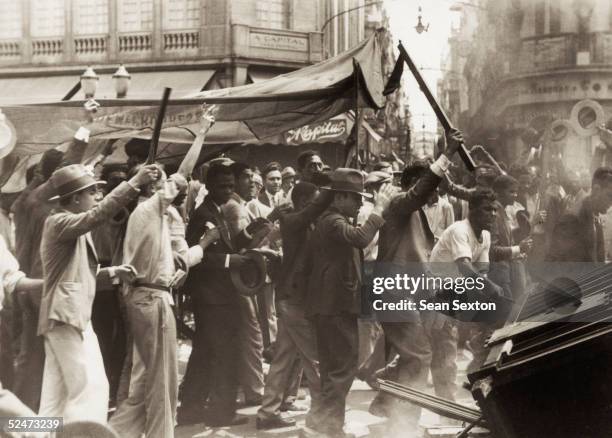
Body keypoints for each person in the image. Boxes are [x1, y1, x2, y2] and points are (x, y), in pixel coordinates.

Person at [109, 106, 219, 438]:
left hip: (153, 298)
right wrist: (201, 132)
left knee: (147, 379)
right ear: (146, 187)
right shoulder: (146, 209)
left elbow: (183, 258)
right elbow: (184, 173)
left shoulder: (160, 216)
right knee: (160, 380)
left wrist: (204, 243)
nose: (164, 182)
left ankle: (117, 433)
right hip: (149, 301)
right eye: (156, 179)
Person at [37, 162, 159, 423]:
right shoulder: (60, 222)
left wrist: (112, 272)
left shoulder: (67, 226)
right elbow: (98, 216)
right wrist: (134, 182)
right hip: (66, 316)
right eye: (92, 192)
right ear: (76, 198)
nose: (98, 197)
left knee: (54, 397)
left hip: (65, 316)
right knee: (90, 389)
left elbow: (77, 275)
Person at [370, 130, 464, 436]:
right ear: (414, 185)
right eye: (431, 187)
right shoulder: (399, 203)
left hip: (412, 294)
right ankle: (402, 421)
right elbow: (419, 194)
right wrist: (446, 155)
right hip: (395, 294)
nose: (435, 194)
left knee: (420, 352)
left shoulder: (413, 214)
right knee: (419, 355)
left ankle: (389, 398)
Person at [307, 168, 394, 437]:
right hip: (335, 307)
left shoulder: (333, 219)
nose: (360, 204)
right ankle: (330, 428)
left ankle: (321, 424)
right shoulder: (333, 221)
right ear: (340, 197)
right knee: (341, 369)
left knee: (333, 369)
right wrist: (379, 208)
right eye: (356, 199)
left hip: (331, 306)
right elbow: (360, 238)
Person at [178, 163, 263, 427]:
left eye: (230, 185)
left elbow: (227, 246)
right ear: (209, 186)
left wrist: (251, 235)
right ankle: (221, 412)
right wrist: (229, 261)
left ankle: (191, 409)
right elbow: (196, 256)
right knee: (225, 353)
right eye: (222, 186)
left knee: (204, 353)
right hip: (211, 297)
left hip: (219, 295)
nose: (227, 190)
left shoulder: (219, 211)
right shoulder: (203, 213)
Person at [256, 183, 333, 431]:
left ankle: (268, 412)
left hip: (292, 299)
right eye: (314, 202)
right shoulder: (292, 222)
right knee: (315, 359)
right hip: (295, 300)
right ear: (302, 202)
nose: (319, 207)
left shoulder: (305, 224)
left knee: (283, 358)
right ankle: (323, 415)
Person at [428, 188, 504, 399]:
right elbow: (465, 268)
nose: (493, 214)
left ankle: (385, 387)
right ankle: (447, 407)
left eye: (495, 210)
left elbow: (481, 272)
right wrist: (490, 289)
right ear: (473, 210)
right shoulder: (460, 231)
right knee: (444, 352)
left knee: (426, 349)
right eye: (487, 209)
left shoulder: (485, 236)